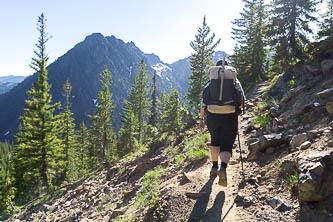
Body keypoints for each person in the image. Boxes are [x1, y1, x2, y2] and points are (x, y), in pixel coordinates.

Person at [199, 60, 245, 187]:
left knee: (215, 140)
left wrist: (201, 120)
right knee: (226, 143)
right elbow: (241, 101)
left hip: (212, 115)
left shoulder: (211, 82)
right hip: (229, 115)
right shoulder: (235, 81)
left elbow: (203, 103)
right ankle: (223, 168)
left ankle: (214, 167)